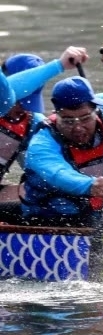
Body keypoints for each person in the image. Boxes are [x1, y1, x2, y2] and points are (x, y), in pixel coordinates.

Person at [20, 43, 103, 228]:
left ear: (95, 111)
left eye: (84, 118)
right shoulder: (43, 141)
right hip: (50, 217)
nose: (78, 128)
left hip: (97, 209)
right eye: (68, 121)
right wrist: (90, 185)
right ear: (56, 115)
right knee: (75, 211)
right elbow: (58, 173)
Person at [0, 46, 89, 222]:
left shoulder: (34, 122)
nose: (22, 112)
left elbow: (43, 170)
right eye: (18, 101)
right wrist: (59, 65)